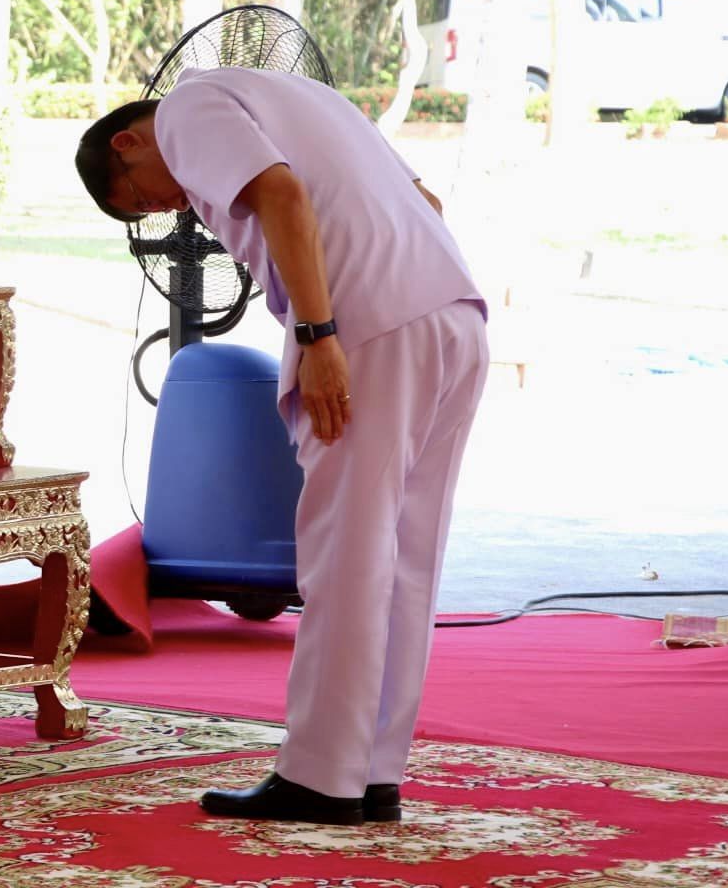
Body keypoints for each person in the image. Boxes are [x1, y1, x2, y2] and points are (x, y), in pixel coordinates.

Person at [75, 66, 488, 826]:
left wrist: (319, 334)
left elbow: (281, 194)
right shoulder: (302, 95)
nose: (169, 210)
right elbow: (424, 201)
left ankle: (320, 779)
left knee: (347, 554)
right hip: (454, 312)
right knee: (406, 557)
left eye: (142, 198)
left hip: (371, 329)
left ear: (129, 141)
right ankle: (372, 774)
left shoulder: (188, 109)